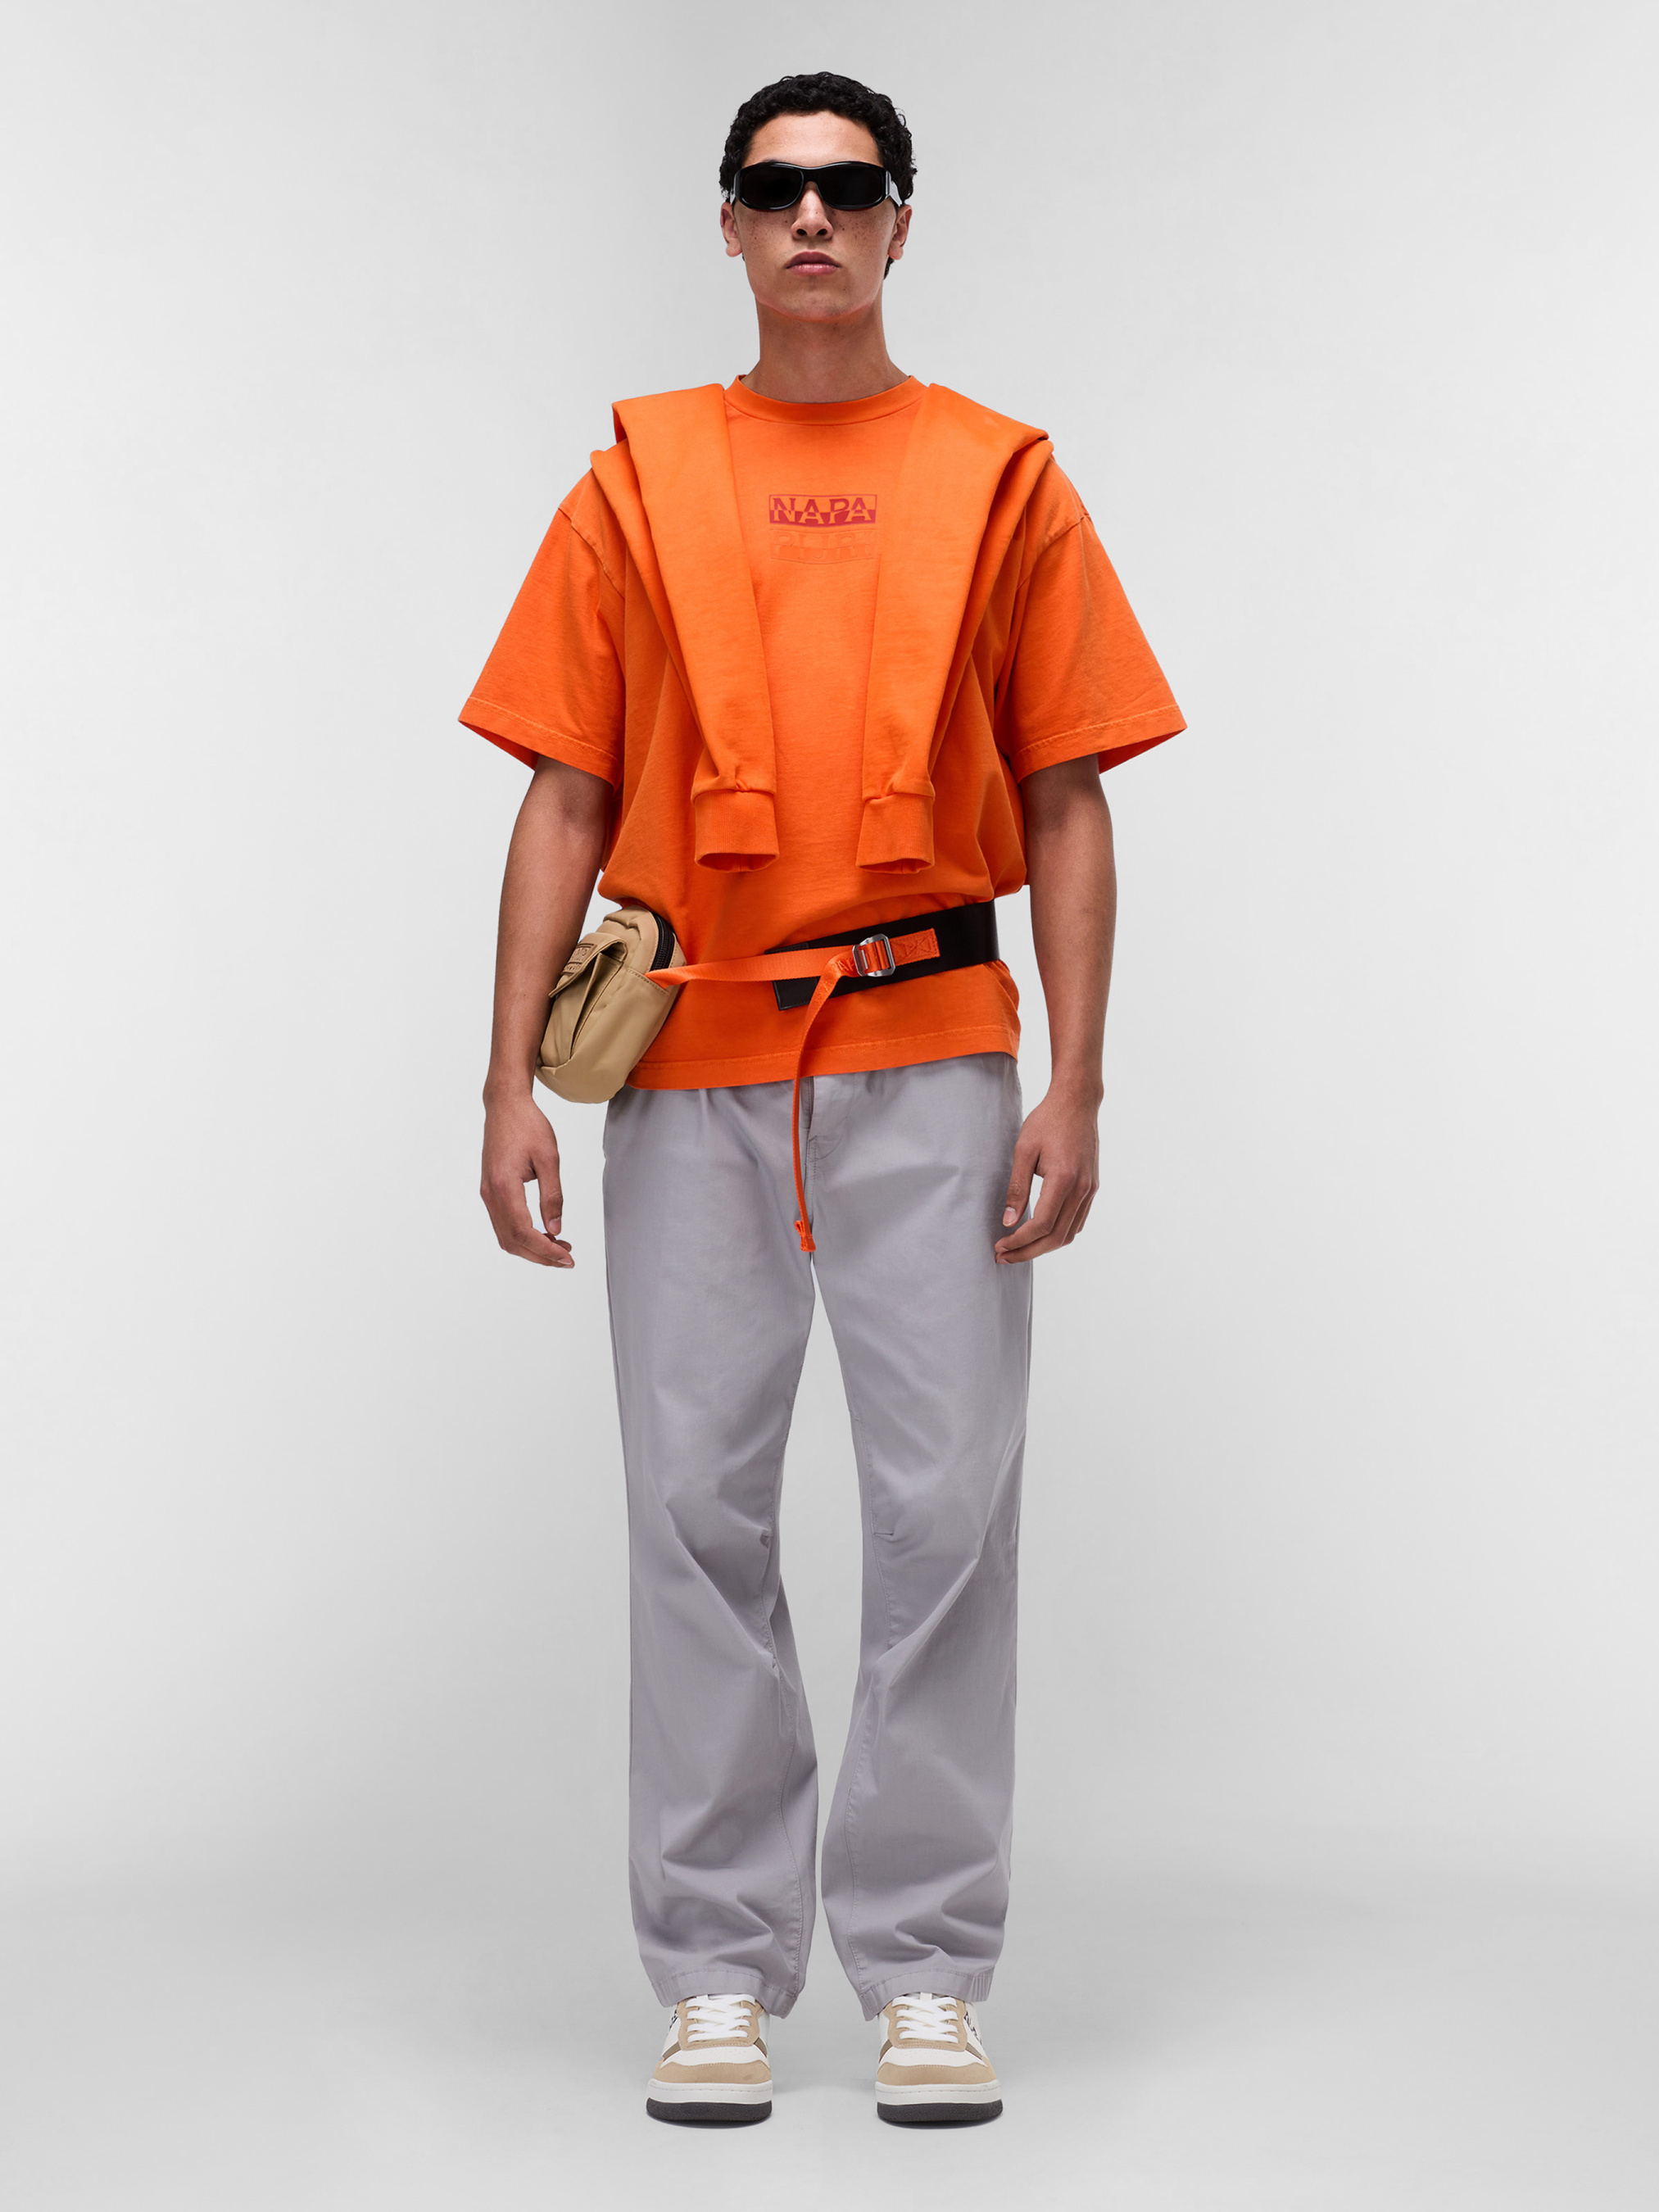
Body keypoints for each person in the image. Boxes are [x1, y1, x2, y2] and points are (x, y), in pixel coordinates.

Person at [462, 70, 1184, 2129]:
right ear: (724, 222)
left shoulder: (998, 477)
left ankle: (925, 1967)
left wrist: (1077, 1082)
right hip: (689, 1056)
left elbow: (1066, 796)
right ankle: (713, 1965)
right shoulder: (637, 480)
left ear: (896, 223)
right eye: (774, 187)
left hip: (930, 1053)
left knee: (945, 1510)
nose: (810, 217)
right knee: (691, 1511)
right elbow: (563, 796)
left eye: (847, 187)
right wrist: (505, 1085)